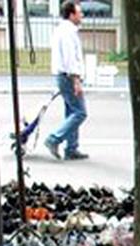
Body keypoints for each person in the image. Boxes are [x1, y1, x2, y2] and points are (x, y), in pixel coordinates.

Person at [44, 0, 87, 161]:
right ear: (71, 14)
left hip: (62, 76)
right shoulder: (68, 32)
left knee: (71, 111)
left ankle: (72, 148)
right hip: (68, 76)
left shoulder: (62, 30)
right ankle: (54, 139)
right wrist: (76, 80)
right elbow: (70, 59)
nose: (82, 15)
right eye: (79, 12)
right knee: (80, 112)